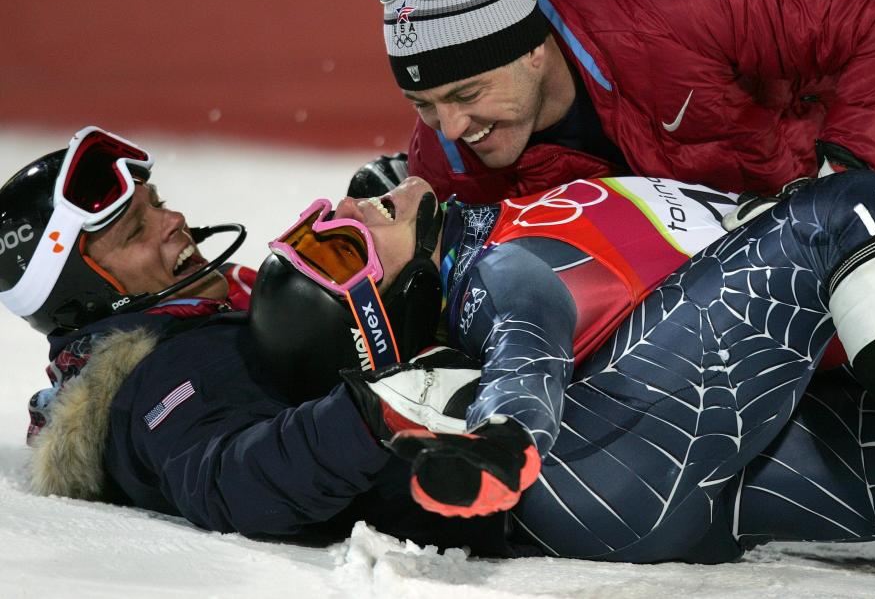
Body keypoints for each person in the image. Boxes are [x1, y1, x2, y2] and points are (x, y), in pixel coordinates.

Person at [256, 158, 875, 563]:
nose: (344, 208)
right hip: (616, 455)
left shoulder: (505, 217)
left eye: (323, 224)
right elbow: (525, 332)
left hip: (649, 460)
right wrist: (503, 438)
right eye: (339, 249)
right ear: (388, 306)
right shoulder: (487, 269)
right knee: (843, 206)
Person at [0, 127, 512, 553]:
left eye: (158, 204)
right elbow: (230, 479)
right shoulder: (162, 379)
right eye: (136, 232)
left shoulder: (197, 323)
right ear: (88, 294)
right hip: (518, 495)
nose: (174, 221)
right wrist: (372, 416)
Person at [367, 0, 875, 206]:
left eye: (467, 94)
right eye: (423, 104)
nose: (452, 128)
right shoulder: (446, 163)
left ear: (532, 49)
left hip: (841, 178)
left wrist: (843, 187)